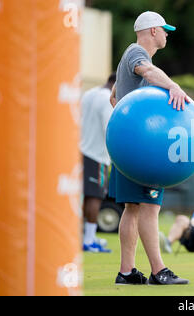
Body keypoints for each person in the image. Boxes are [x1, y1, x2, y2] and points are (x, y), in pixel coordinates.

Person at [109, 11, 189, 285]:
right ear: (153, 30)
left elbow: (114, 97)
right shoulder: (136, 54)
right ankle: (159, 271)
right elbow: (148, 71)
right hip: (140, 149)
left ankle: (127, 272)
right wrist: (174, 86)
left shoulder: (127, 57)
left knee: (133, 207)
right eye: (165, 30)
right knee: (149, 206)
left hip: (129, 146)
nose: (167, 34)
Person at [80, 73, 116, 253]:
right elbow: (109, 129)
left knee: (83, 196)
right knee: (95, 197)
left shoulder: (89, 93)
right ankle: (88, 240)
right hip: (97, 155)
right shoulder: (107, 100)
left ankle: (85, 236)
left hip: (80, 151)